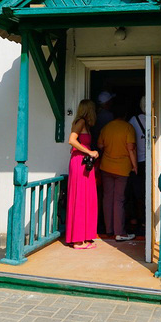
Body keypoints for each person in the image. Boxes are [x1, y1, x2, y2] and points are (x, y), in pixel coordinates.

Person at [98, 107, 137, 241]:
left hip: (106, 167)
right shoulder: (128, 128)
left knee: (107, 198)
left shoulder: (106, 127)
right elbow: (131, 149)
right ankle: (119, 232)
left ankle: (108, 229)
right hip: (122, 168)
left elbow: (100, 146)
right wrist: (135, 166)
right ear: (125, 114)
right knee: (119, 199)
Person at [66, 99, 99, 249]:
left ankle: (83, 237)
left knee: (85, 198)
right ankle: (78, 240)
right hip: (80, 162)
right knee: (80, 197)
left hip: (81, 162)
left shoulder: (81, 122)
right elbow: (71, 141)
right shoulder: (81, 122)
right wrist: (89, 151)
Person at [126, 96, 147, 235]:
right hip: (150, 161)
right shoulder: (154, 119)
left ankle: (137, 220)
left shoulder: (133, 121)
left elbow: (129, 144)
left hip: (136, 162)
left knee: (136, 193)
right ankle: (146, 221)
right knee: (148, 193)